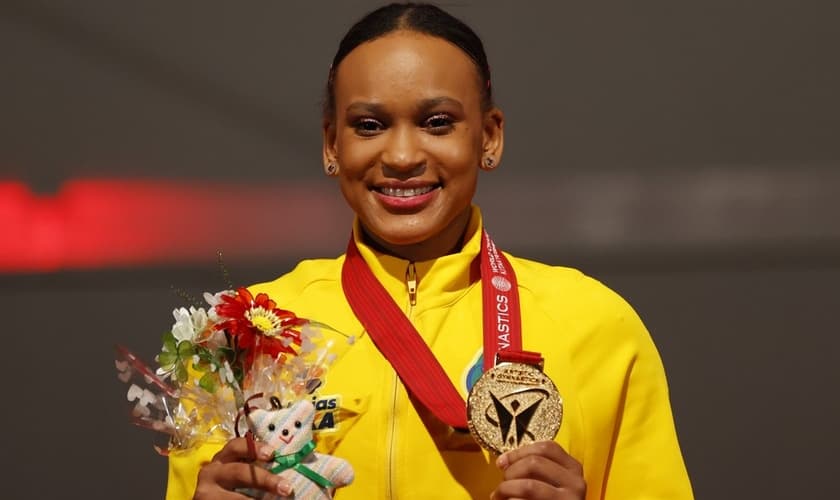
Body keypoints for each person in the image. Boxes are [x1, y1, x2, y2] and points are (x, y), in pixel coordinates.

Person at [169, 3, 694, 499]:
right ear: (332, 145)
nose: (401, 156)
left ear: (489, 137)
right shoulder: (246, 333)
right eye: (369, 125)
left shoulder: (596, 326)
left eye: (437, 122)